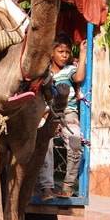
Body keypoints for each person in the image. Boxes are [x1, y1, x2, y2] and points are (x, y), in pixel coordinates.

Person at [38, 35, 87, 199]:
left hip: (68, 113)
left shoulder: (70, 70)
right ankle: (46, 187)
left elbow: (79, 78)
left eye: (67, 52)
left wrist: (82, 53)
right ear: (52, 53)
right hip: (46, 113)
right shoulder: (44, 72)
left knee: (75, 141)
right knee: (45, 145)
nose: (64, 55)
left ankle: (68, 186)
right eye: (60, 51)